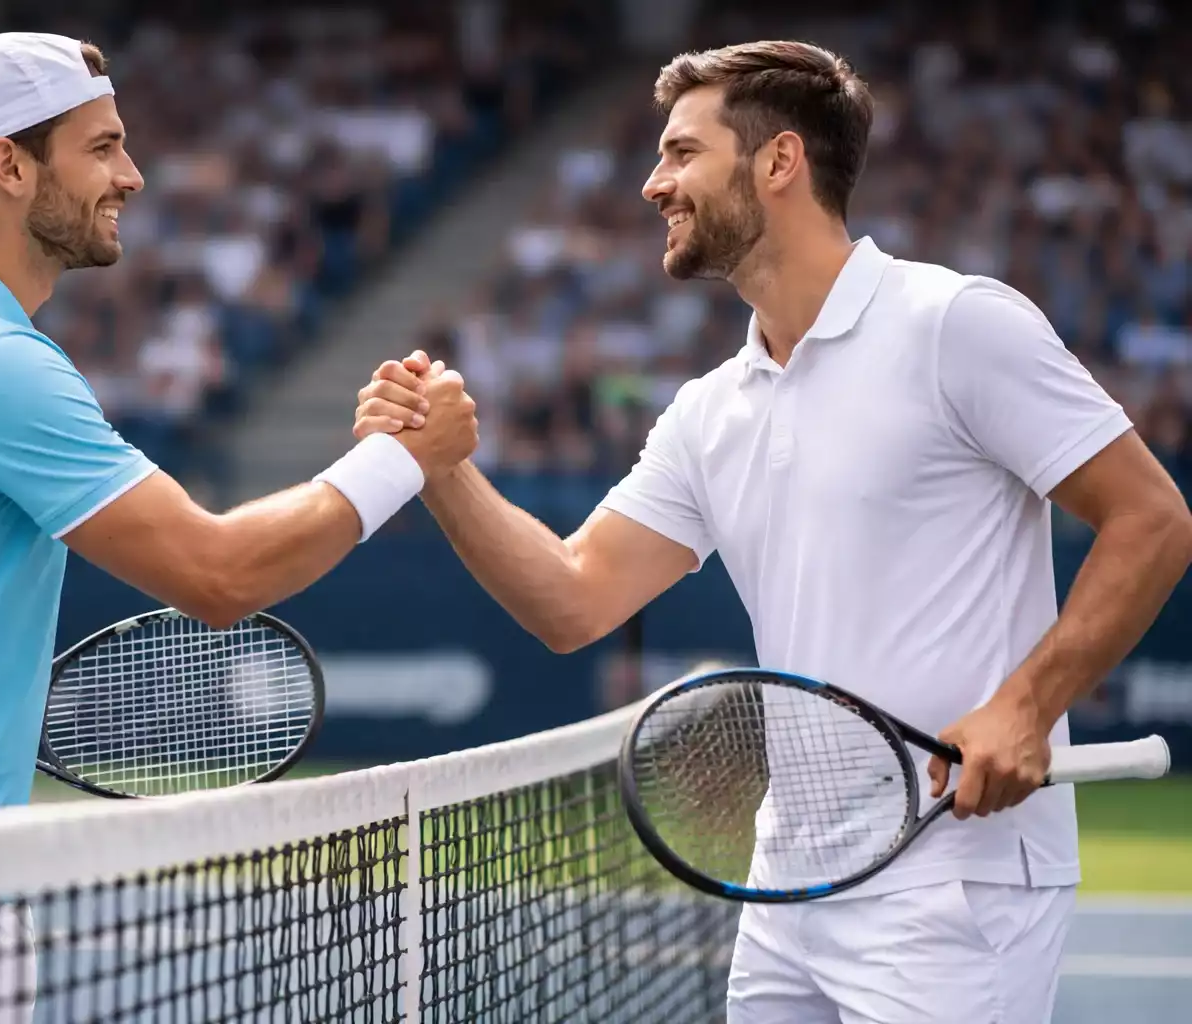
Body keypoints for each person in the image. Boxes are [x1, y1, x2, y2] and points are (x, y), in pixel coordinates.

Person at [355, 40, 1192, 1024]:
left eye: (680, 152)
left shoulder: (956, 324)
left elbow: (1154, 518)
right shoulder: (710, 411)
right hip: (785, 887)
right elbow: (570, 597)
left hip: (954, 891)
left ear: (779, 162)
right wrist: (438, 465)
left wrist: (1024, 706)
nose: (652, 183)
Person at [0, 32, 477, 1022]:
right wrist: (405, 455)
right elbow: (218, 573)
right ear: (8, 166)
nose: (132, 175)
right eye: (101, 147)